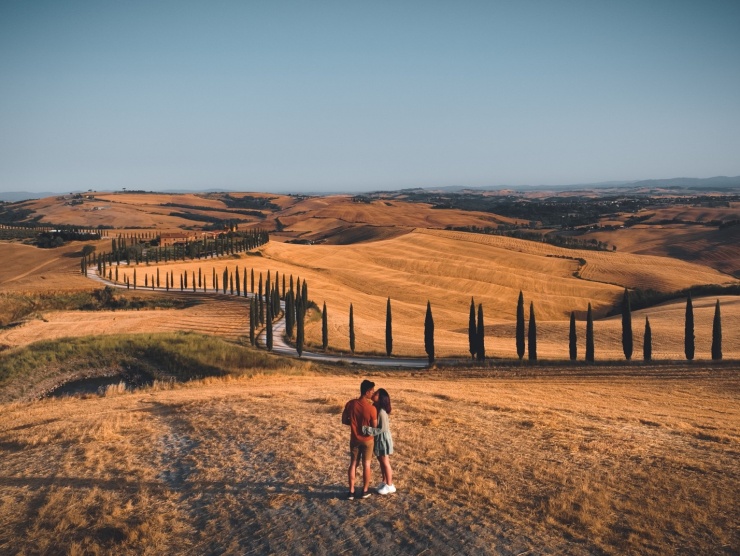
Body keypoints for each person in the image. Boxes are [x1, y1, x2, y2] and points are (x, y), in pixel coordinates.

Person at [341, 379, 378, 500]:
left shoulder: (350, 403)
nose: (373, 393)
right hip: (368, 440)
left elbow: (344, 420)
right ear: (367, 392)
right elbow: (374, 427)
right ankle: (365, 490)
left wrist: (354, 424)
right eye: (372, 391)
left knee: (353, 464)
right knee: (366, 465)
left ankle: (351, 491)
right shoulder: (372, 409)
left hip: (355, 439)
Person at [363, 388, 396, 495]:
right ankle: (385, 481)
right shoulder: (375, 407)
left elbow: (382, 429)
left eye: (376, 393)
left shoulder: (381, 411)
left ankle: (390, 485)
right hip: (379, 438)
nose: (374, 394)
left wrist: (366, 429)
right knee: (381, 461)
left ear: (380, 398)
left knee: (385, 461)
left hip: (382, 438)